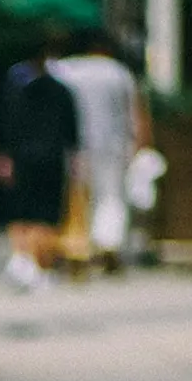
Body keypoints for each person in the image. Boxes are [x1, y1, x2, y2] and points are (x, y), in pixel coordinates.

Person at [52, 29, 150, 272]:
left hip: (74, 146)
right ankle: (109, 243)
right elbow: (135, 112)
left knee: (75, 197)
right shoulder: (118, 71)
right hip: (114, 144)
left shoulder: (63, 70)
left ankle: (76, 246)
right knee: (111, 196)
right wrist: (141, 143)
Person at [0, 37, 79, 289]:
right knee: (47, 215)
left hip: (21, 158)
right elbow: (72, 131)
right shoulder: (61, 90)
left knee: (21, 212)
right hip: (52, 158)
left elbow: (2, 125)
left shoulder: (14, 89)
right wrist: (74, 160)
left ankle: (21, 258)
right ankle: (42, 266)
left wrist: (0, 155)